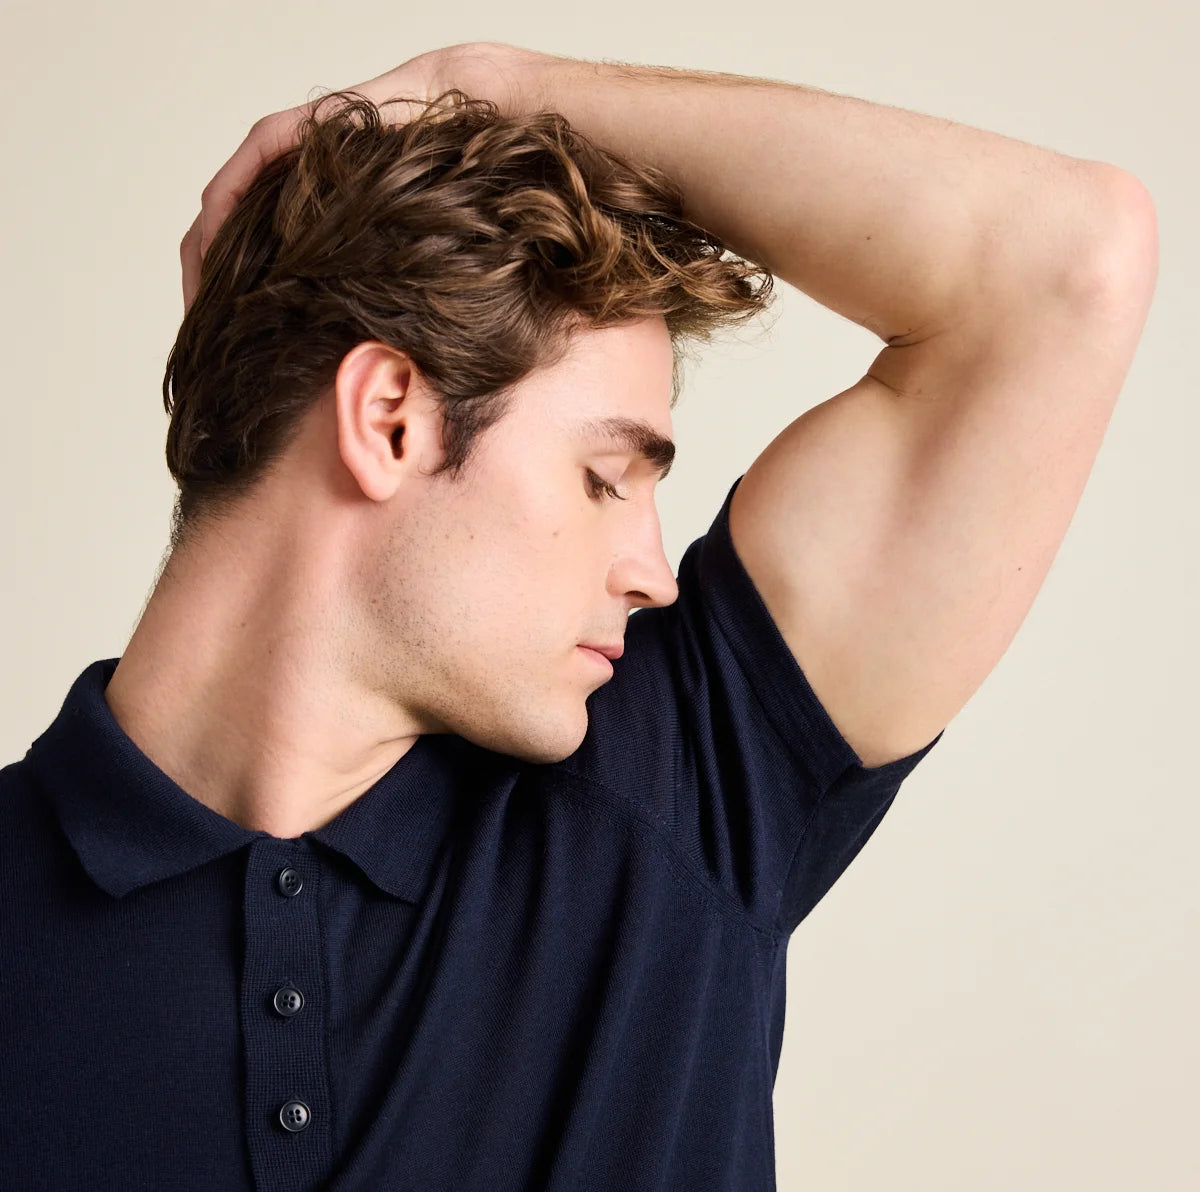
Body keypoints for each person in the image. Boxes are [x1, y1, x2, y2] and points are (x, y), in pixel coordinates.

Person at [0, 39, 1153, 1191]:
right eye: (605, 478)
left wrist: (488, 81)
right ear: (392, 418)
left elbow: (1067, 262)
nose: (653, 570)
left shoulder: (689, 785)